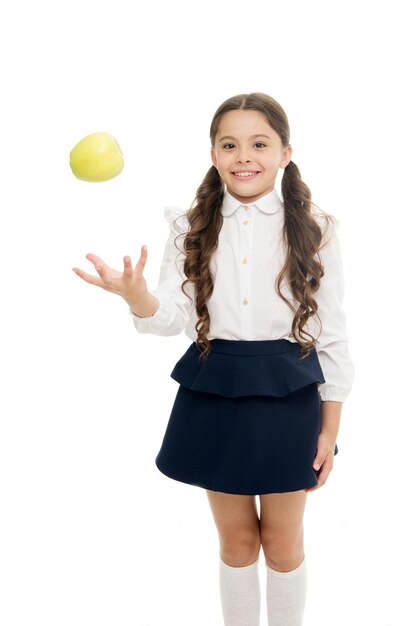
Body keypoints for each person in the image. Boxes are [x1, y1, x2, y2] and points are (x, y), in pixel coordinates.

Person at [73, 92, 355, 626]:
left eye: (259, 144)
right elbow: (171, 314)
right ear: (213, 154)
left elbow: (332, 332)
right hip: (215, 386)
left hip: (288, 395)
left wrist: (328, 428)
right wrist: (136, 298)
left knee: (283, 543)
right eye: (230, 144)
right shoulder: (191, 225)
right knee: (237, 541)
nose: (243, 156)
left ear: (285, 152)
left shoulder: (316, 226)